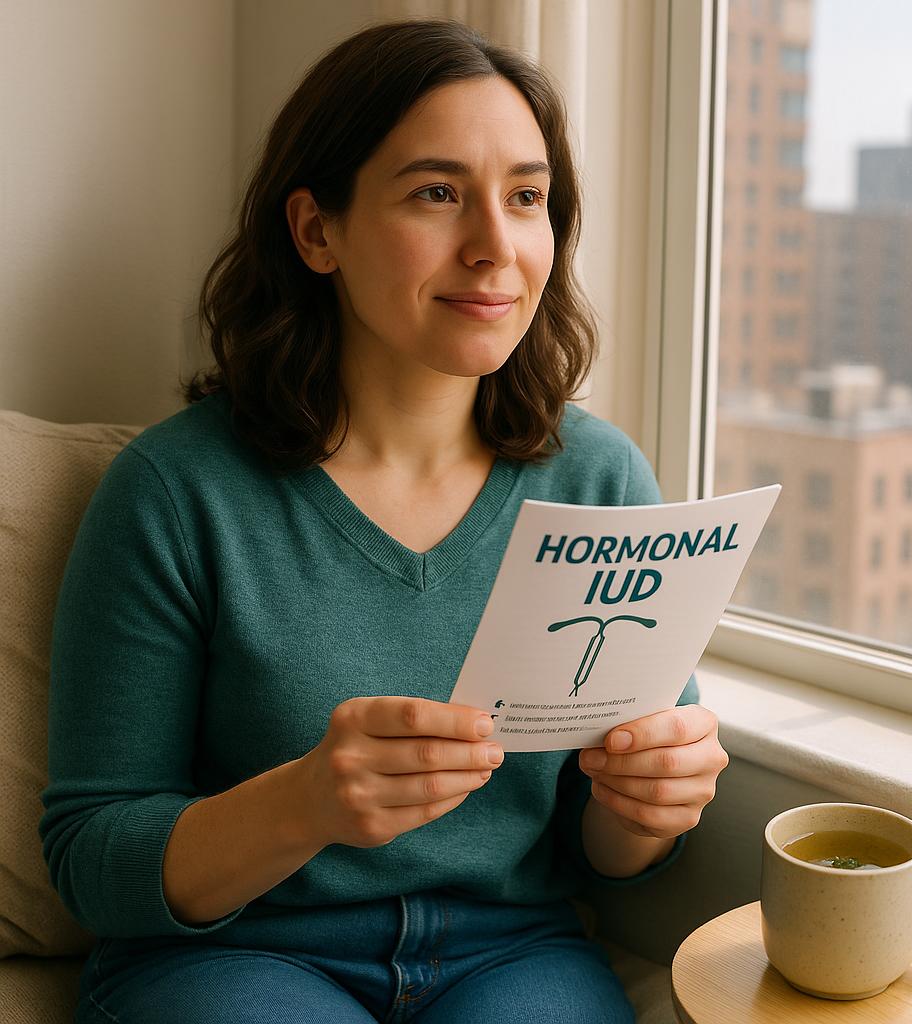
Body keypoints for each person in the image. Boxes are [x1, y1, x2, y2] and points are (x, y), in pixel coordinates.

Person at [40, 17, 729, 1024]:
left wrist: (649, 810)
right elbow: (91, 858)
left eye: (527, 197)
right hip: (237, 959)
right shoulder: (175, 490)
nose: (496, 246)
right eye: (438, 193)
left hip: (512, 956)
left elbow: (607, 852)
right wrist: (304, 802)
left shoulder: (600, 478)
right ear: (316, 229)